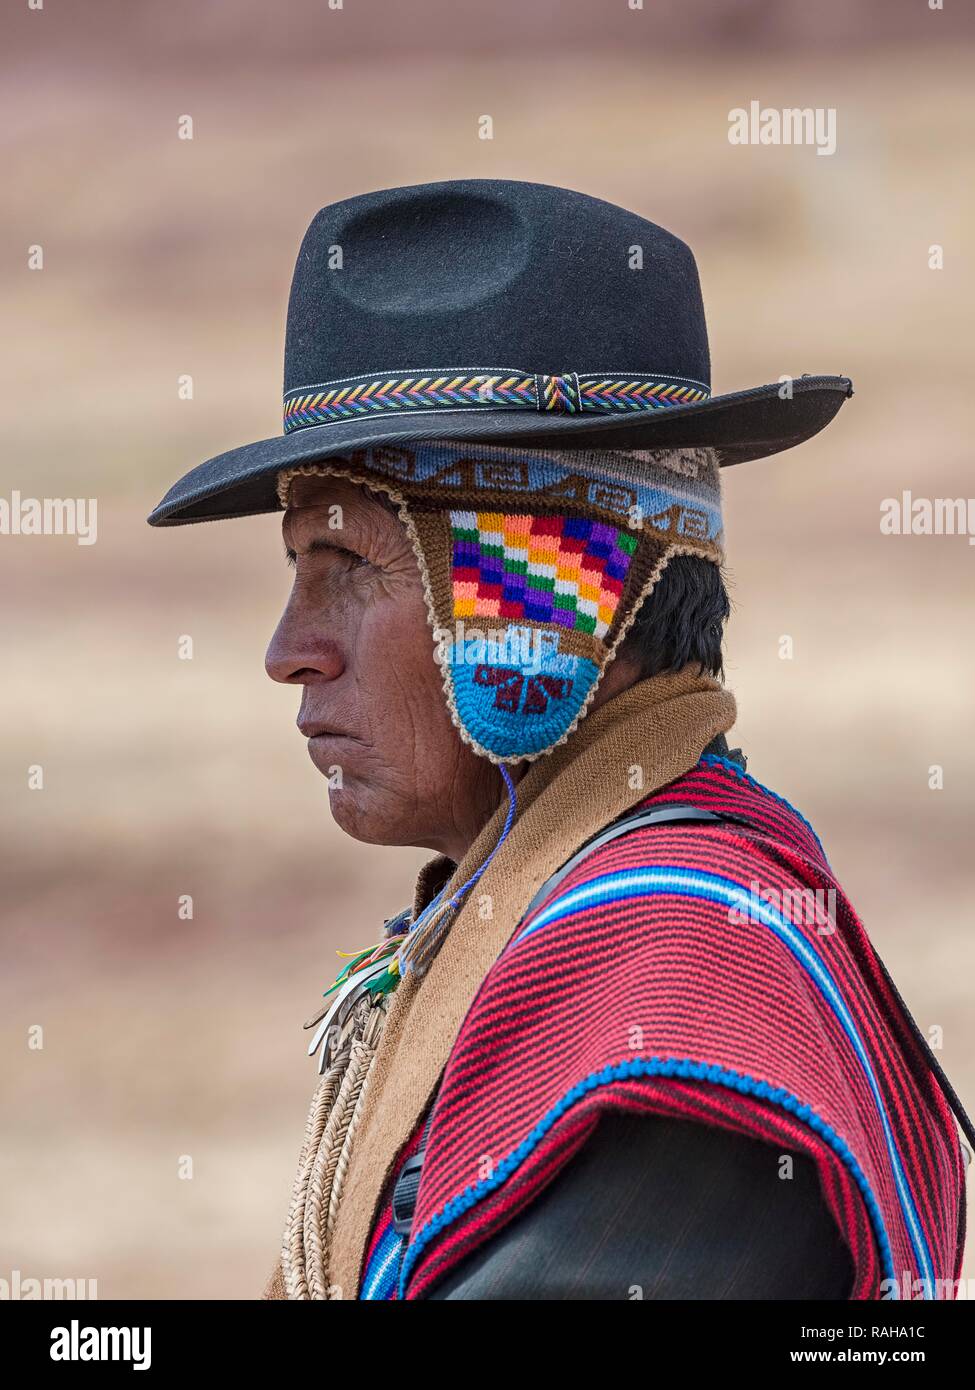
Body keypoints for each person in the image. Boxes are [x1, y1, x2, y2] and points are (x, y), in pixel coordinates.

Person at [148, 179, 970, 1300]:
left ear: (532, 604)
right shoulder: (534, 923)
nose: (289, 650)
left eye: (345, 568)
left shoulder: (679, 988)